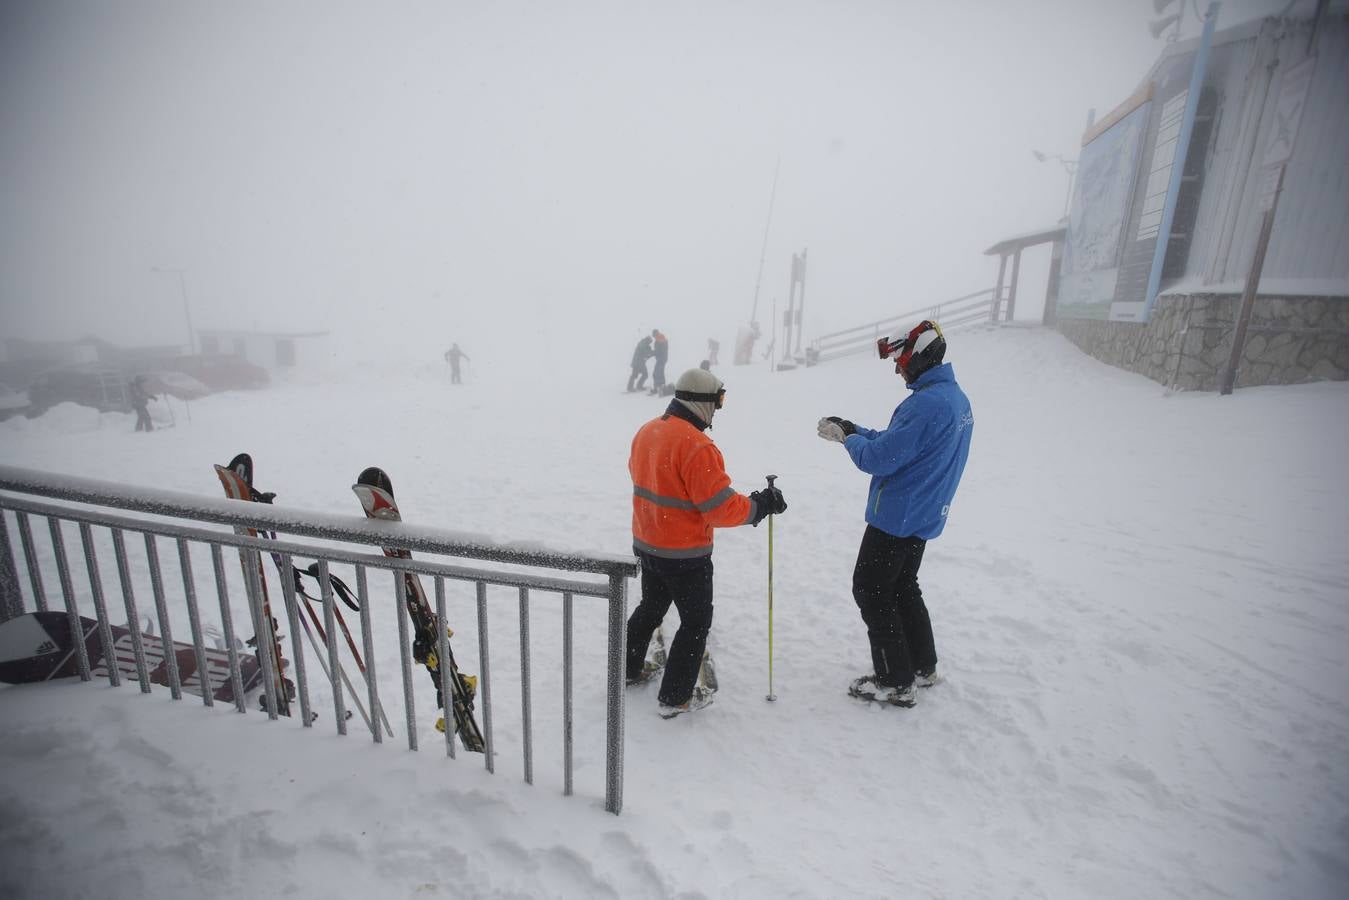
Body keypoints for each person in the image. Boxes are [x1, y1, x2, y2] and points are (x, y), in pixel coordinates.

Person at [816, 320, 972, 708]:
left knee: (870, 589)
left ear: (919, 357)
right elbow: (900, 445)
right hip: (922, 513)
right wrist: (856, 429)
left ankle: (894, 681)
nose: (897, 368)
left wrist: (847, 439)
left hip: (897, 517)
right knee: (902, 586)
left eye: (900, 360)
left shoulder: (926, 404)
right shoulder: (952, 397)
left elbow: (881, 458)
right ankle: (922, 666)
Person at [626, 367, 787, 717]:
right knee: (695, 622)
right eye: (718, 401)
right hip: (685, 556)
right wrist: (761, 506)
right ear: (702, 402)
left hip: (648, 544)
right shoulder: (697, 447)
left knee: (651, 607)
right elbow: (719, 509)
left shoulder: (648, 431)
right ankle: (676, 697)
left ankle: (627, 669)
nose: (718, 409)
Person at [649, 329, 669, 395]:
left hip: (661, 359)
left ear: (655, 334)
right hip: (663, 359)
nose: (654, 337)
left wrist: (651, 353)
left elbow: (658, 351)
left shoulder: (659, 340)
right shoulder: (662, 338)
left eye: (654, 335)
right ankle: (662, 387)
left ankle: (657, 388)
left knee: (656, 373)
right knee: (660, 372)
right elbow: (662, 350)